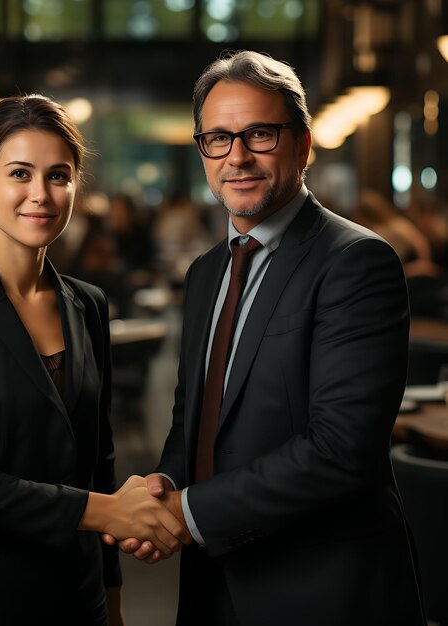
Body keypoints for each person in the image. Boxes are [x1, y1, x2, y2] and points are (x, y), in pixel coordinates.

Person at [106, 50, 425, 625]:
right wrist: (164, 485)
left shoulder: (357, 261)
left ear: (303, 145)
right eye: (218, 139)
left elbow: (340, 450)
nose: (238, 156)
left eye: (259, 133)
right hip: (213, 583)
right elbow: (194, 423)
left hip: (320, 591)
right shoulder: (206, 273)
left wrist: (186, 513)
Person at [0, 94, 190, 626]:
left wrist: (112, 592)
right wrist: (107, 511)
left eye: (58, 176)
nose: (40, 194)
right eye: (20, 173)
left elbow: (99, 459)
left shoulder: (88, 304)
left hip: (77, 592)